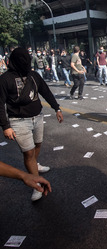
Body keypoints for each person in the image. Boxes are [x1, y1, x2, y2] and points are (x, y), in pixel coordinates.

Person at [0, 48, 63, 201]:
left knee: (37, 145)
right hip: (18, 121)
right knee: (28, 153)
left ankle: (35, 164)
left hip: (37, 117)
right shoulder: (5, 79)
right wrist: (6, 126)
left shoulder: (33, 76)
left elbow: (46, 92)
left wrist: (57, 108)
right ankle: (36, 184)